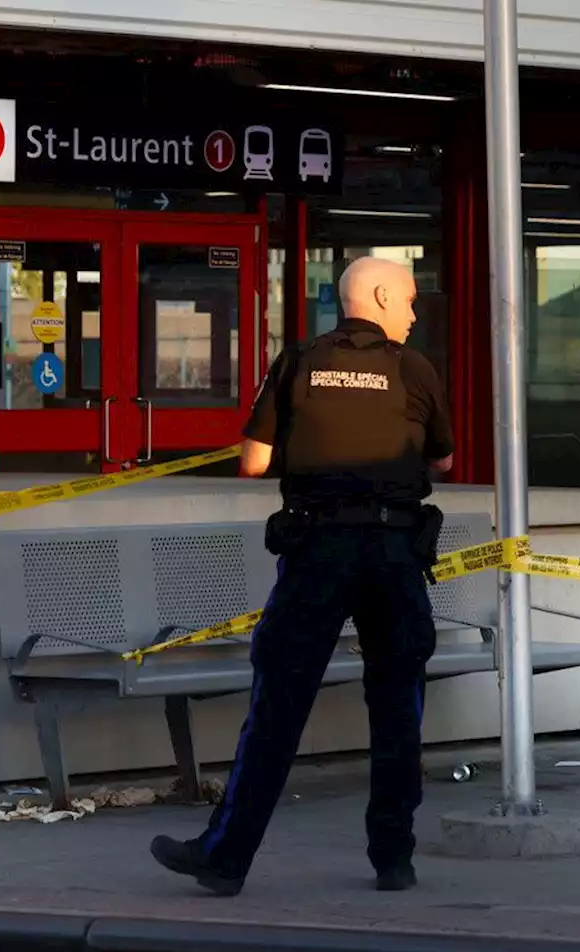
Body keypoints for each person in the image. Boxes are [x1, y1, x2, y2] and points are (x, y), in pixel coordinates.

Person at [150, 256, 455, 896]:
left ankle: (226, 858)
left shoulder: (298, 362)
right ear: (376, 295)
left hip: (317, 553)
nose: (413, 313)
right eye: (407, 301)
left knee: (278, 707)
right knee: (399, 707)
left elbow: (253, 463)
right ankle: (394, 858)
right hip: (395, 556)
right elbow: (444, 458)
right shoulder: (414, 369)